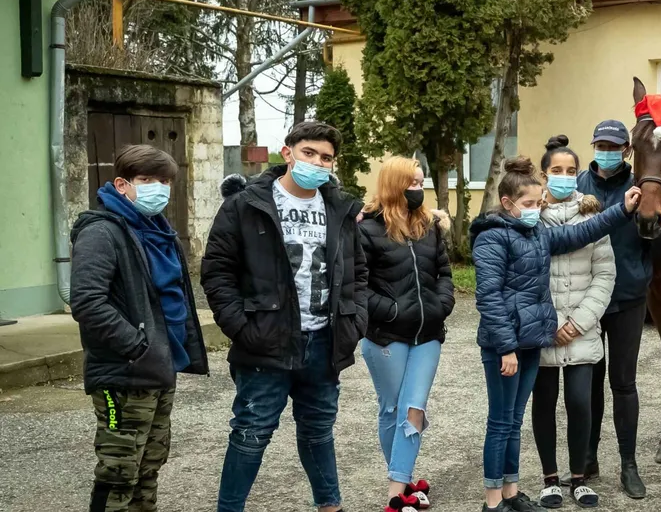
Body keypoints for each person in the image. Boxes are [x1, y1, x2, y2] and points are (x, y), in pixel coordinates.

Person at [201, 120, 368, 512]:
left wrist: (354, 321)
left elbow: (358, 271)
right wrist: (242, 327)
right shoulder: (246, 205)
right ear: (288, 152)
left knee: (319, 432)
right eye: (309, 153)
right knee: (251, 433)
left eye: (326, 157)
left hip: (325, 341)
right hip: (265, 341)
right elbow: (218, 271)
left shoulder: (339, 208)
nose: (318, 163)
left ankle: (330, 506)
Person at [471, 156, 640, 512]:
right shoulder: (491, 238)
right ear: (507, 203)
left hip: (531, 342)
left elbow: (581, 233)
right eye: (529, 204)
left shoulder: (536, 235)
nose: (536, 209)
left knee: (514, 422)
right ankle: (493, 502)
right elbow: (488, 297)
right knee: (500, 423)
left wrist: (622, 210)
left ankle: (511, 493)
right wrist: (506, 347)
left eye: (538, 203)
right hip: (507, 346)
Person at [70, 145, 209, 512]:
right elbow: (87, 302)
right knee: (119, 469)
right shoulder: (102, 232)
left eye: (165, 181)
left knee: (149, 464)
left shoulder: (159, 231)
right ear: (122, 184)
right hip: (125, 372)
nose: (158, 189)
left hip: (161, 366)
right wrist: (137, 347)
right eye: (147, 180)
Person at [579, 120, 661, 499]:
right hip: (585, 302)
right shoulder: (578, 186)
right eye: (600, 145)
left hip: (627, 298)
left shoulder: (643, 186)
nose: (606, 152)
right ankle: (587, 457)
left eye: (614, 146)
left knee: (623, 384)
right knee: (588, 383)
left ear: (626, 150)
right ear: (594, 146)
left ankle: (628, 465)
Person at [359, 157, 456, 512]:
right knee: (391, 409)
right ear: (394, 185)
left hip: (427, 335)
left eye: (420, 182)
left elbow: (443, 272)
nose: (418, 188)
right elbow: (357, 286)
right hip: (385, 336)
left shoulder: (429, 226)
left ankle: (395, 496)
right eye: (412, 183)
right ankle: (404, 484)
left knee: (413, 409)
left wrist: (441, 304)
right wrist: (392, 311)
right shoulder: (366, 229)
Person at [532, 136, 616, 509]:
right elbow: (524, 277)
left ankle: (579, 477)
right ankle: (550, 478)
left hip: (581, 329)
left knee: (581, 402)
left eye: (570, 171)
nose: (564, 177)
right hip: (543, 330)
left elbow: (605, 275)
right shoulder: (530, 218)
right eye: (557, 170)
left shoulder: (593, 218)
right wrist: (549, 322)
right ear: (543, 175)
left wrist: (578, 322)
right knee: (544, 403)